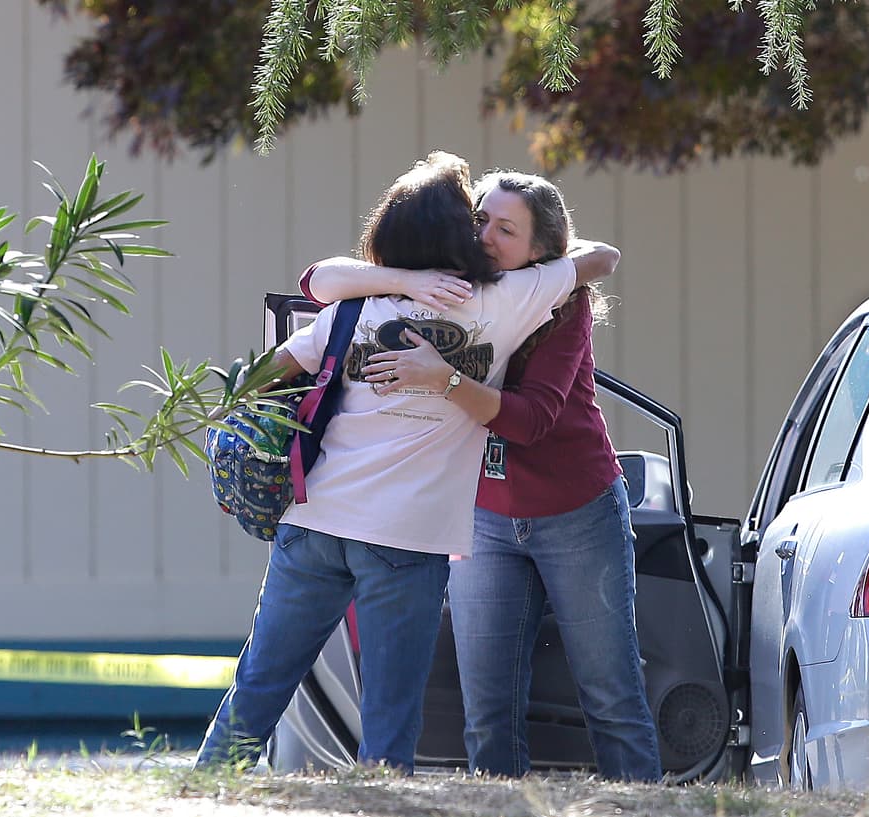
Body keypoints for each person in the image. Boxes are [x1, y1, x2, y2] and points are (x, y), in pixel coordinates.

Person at [195, 153, 619, 772]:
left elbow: (271, 363)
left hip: (313, 522)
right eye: (473, 219)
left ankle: (204, 792)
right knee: (389, 720)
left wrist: (394, 282)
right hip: (405, 539)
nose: (482, 233)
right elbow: (599, 260)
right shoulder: (501, 300)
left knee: (258, 687)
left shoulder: (351, 307)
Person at [304, 170, 662, 781]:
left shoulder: (560, 304)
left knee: (611, 696)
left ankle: (641, 800)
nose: (487, 237)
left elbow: (530, 421)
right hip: (483, 517)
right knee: (488, 710)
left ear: (540, 252)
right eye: (480, 220)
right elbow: (317, 282)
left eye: (506, 229)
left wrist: (440, 377)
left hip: (576, 511)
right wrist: (405, 278)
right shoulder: (447, 285)